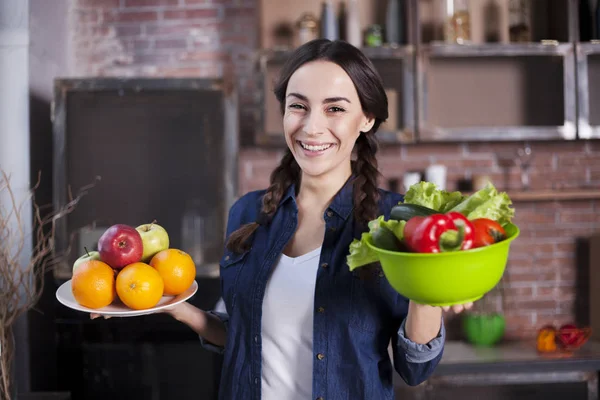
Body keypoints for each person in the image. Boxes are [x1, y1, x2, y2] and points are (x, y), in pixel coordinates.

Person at [93, 39, 472, 399]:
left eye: (335, 108)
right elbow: (247, 339)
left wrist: (428, 294)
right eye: (298, 106)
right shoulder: (248, 214)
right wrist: (174, 306)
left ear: (367, 118)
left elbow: (415, 368)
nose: (311, 127)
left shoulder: (395, 224)